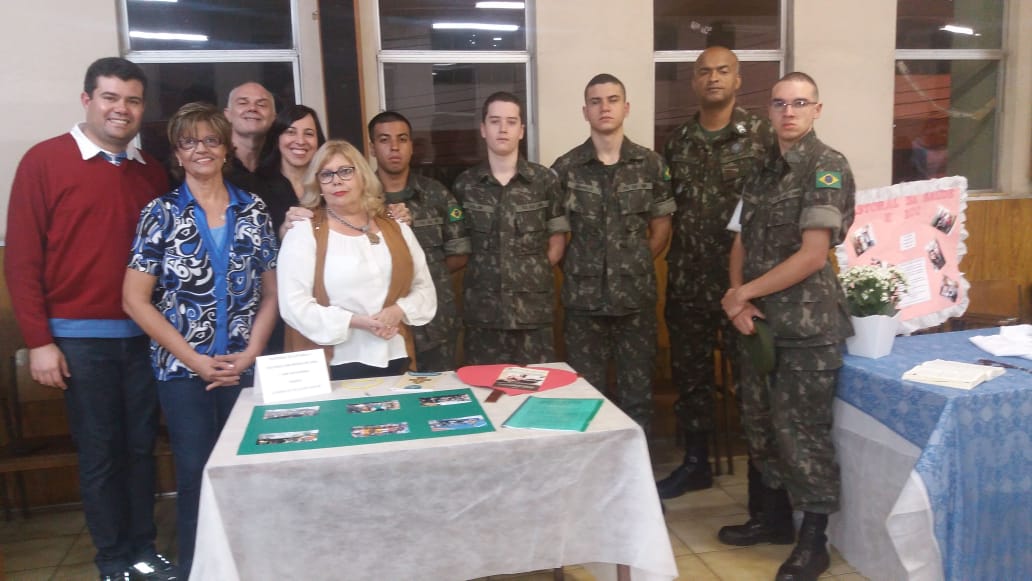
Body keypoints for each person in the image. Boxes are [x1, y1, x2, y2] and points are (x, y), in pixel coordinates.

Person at [5, 57, 177, 581]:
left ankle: (143, 551)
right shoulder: (44, 161)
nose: (121, 109)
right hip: (79, 343)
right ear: (87, 100)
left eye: (132, 100)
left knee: (141, 451)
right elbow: (22, 260)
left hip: (145, 338)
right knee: (101, 456)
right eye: (110, 97)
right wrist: (40, 341)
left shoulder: (150, 172)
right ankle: (113, 561)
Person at [123, 102, 279, 577]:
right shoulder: (160, 214)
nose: (201, 150)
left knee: (247, 471)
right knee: (195, 474)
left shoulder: (253, 210)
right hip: (182, 372)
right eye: (189, 142)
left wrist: (251, 353)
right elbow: (135, 300)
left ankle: (252, 567)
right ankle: (198, 569)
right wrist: (193, 359)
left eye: (211, 140)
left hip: (242, 367)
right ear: (177, 153)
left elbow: (272, 295)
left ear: (227, 148)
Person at [719, 72, 855, 581]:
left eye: (799, 103)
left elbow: (814, 254)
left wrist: (743, 294)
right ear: (769, 111)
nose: (789, 112)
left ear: (817, 110)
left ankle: (813, 543)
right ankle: (772, 519)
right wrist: (738, 297)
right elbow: (740, 240)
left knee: (802, 434)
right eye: (779, 104)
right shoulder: (760, 171)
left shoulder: (826, 167)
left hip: (807, 327)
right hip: (759, 324)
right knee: (760, 425)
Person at [658, 46, 774, 498]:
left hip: (743, 285)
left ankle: (763, 483)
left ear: (738, 79)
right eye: (704, 72)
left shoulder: (762, 136)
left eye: (723, 71)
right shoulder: (678, 142)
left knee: (751, 381)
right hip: (688, 281)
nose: (713, 78)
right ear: (693, 81)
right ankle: (696, 463)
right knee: (691, 378)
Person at [550, 74, 674, 428]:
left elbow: (661, 228)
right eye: (596, 101)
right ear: (585, 112)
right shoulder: (565, 168)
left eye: (612, 100)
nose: (604, 108)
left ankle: (638, 463)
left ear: (626, 108)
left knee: (638, 397)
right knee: (586, 398)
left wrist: (633, 263)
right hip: (583, 304)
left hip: (635, 302)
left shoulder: (651, 164)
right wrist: (582, 268)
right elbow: (557, 233)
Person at [277, 140, 437, 379]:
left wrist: (399, 310)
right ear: (318, 184)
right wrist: (355, 321)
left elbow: (425, 288)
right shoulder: (303, 231)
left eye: (345, 171)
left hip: (395, 355)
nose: (337, 181)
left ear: (363, 176)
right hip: (331, 363)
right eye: (326, 174)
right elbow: (293, 305)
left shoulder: (396, 226)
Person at [453, 92, 570, 365]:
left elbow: (557, 240)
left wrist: (530, 275)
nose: (503, 129)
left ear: (522, 130)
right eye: (495, 121)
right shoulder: (465, 185)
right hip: (483, 313)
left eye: (511, 121)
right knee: (484, 386)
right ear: (483, 129)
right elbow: (460, 248)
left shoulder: (544, 181)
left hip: (532, 312)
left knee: (536, 386)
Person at [368, 111, 470, 371]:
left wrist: (422, 275)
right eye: (384, 140)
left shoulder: (436, 194)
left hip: (435, 323)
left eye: (402, 139)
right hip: (380, 324)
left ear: (411, 146)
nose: (394, 147)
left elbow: (459, 253)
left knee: (440, 391)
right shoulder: (360, 201)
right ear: (372, 148)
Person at [258, 104, 327, 236]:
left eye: (309, 134)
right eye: (291, 132)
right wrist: (282, 232)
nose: (300, 141)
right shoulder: (257, 185)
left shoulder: (329, 182)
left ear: (318, 141)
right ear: (277, 138)